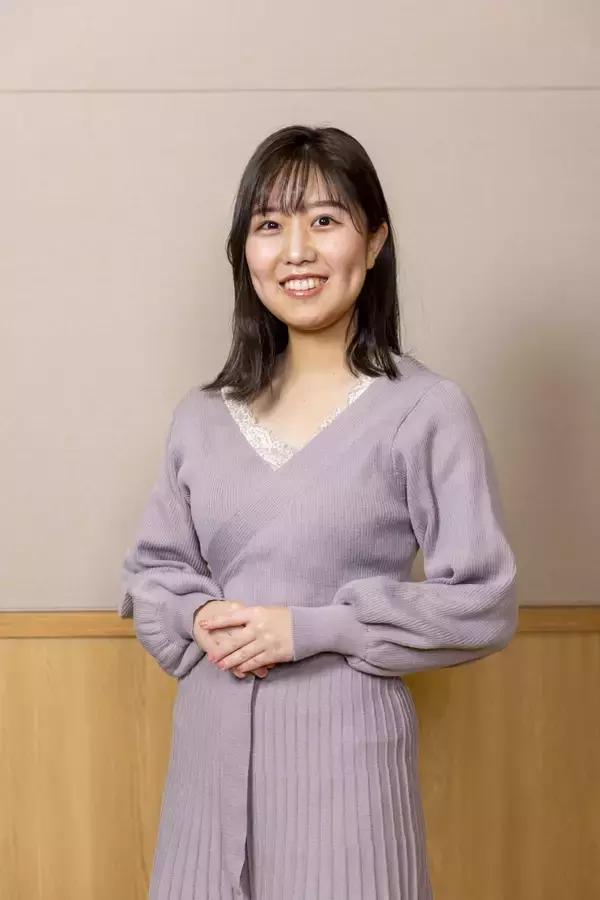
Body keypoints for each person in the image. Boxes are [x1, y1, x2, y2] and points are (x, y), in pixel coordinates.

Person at [119, 125, 517, 900]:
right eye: (270, 225)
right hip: (205, 772)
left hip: (347, 777)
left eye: (325, 220)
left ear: (374, 242)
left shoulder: (426, 411)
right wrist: (197, 615)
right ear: (245, 252)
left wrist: (308, 629)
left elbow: (483, 601)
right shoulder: (200, 416)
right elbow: (153, 574)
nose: (296, 250)